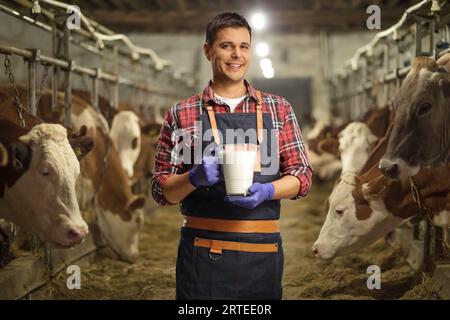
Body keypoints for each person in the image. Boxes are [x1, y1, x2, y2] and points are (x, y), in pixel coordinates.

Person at [151, 12, 312, 300]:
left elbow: (302, 177)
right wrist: (193, 178)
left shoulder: (278, 109)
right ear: (207, 50)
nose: (236, 54)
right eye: (226, 46)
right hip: (202, 251)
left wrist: (268, 191)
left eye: (244, 46)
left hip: (262, 249)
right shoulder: (182, 114)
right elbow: (162, 192)